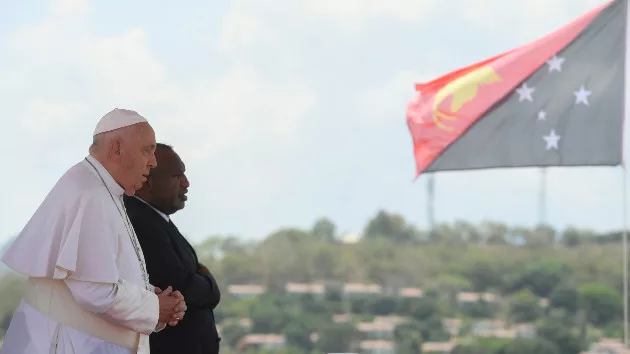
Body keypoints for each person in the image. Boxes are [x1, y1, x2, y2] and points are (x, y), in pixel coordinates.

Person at [1, 109, 188, 354]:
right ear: (116, 149)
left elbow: (97, 275)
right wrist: (155, 307)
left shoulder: (102, 188)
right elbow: (96, 291)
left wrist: (154, 297)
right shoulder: (89, 192)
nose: (152, 163)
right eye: (147, 151)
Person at [124, 143, 221, 354]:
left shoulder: (157, 220)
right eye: (177, 176)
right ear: (147, 180)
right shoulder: (141, 222)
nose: (186, 183)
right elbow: (180, 288)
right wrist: (209, 284)